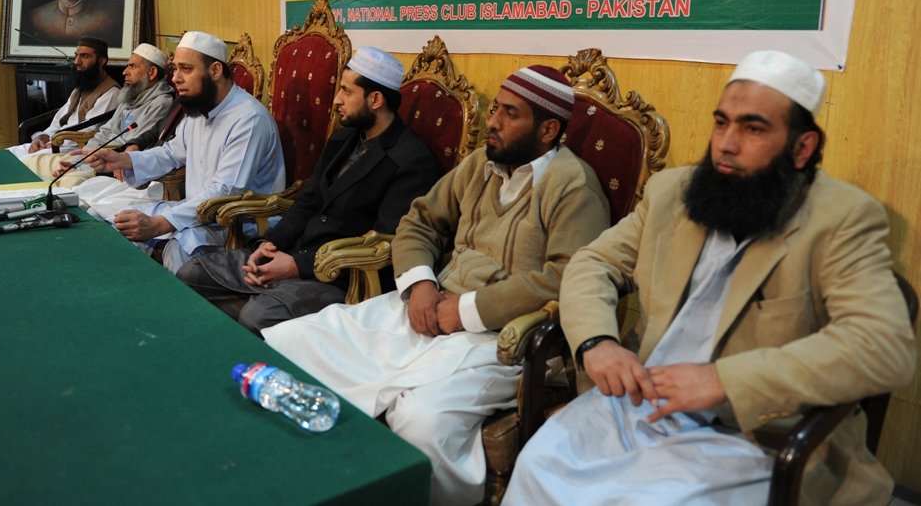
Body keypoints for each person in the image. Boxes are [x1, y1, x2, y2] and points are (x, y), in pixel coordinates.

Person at [504, 51, 917, 506]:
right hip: (638, 402)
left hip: (753, 438)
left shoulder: (842, 219)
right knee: (539, 464)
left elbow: (884, 347)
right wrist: (596, 342)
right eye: (722, 123)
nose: (726, 143)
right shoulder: (674, 192)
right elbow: (592, 263)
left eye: (753, 128)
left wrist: (724, 380)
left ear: (803, 148)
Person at [262, 65, 611, 505]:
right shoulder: (481, 163)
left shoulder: (573, 185)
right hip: (428, 307)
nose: (494, 121)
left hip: (499, 339)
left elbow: (567, 278)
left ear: (548, 131)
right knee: (297, 341)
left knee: (422, 419)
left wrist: (464, 311)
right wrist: (421, 285)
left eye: (509, 114)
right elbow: (418, 221)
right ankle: (323, 481)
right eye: (496, 109)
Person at [176, 46, 442, 332]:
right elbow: (307, 201)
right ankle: (262, 322)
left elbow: (382, 242)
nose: (337, 101)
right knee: (192, 273)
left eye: (346, 91)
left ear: (375, 99)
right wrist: (270, 244)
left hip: (341, 275)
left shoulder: (411, 161)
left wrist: (296, 265)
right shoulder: (344, 139)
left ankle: (257, 325)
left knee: (258, 317)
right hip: (294, 253)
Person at [85, 31, 286, 273]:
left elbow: (226, 191)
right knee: (113, 221)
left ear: (214, 71)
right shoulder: (201, 108)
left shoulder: (248, 118)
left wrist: (161, 223)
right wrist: (124, 160)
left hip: (237, 223)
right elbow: (171, 153)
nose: (176, 78)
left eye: (186, 69)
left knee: (178, 248)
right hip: (198, 214)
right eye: (175, 69)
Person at [20, 43, 176, 187]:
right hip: (94, 156)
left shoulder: (161, 103)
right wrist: (80, 158)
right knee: (34, 162)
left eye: (132, 66)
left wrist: (85, 163)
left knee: (67, 182)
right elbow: (106, 131)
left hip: (112, 163)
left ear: (152, 73)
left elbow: (134, 143)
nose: (124, 72)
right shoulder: (130, 95)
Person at [8, 35, 120, 158]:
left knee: (24, 161)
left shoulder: (111, 92)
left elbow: (88, 131)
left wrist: (56, 141)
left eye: (84, 56)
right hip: (56, 143)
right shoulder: (80, 89)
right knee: (8, 153)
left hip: (73, 149)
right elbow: (58, 122)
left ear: (101, 61)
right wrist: (41, 138)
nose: (77, 61)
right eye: (76, 55)